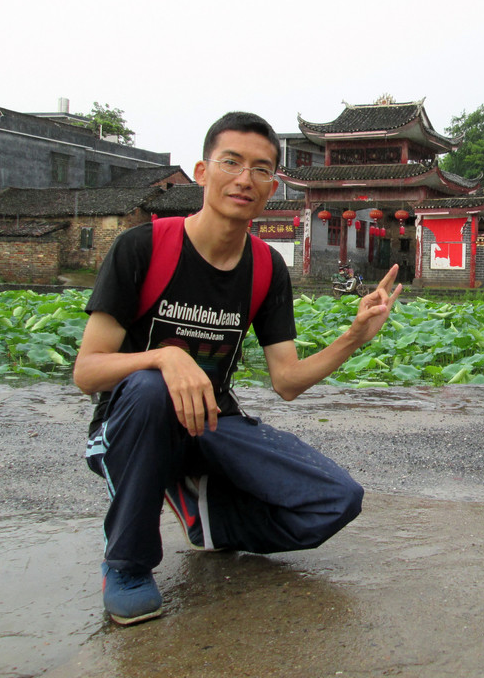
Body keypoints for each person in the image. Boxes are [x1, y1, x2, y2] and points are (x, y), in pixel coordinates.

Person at [73, 111, 401, 625]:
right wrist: (165, 355)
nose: (245, 179)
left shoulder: (267, 268)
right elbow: (88, 371)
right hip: (131, 420)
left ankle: (205, 517)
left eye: (262, 169)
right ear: (203, 172)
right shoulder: (142, 247)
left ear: (274, 186)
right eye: (232, 162)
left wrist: (353, 337)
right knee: (151, 388)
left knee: (336, 500)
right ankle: (128, 564)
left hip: (211, 423)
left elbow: (287, 381)